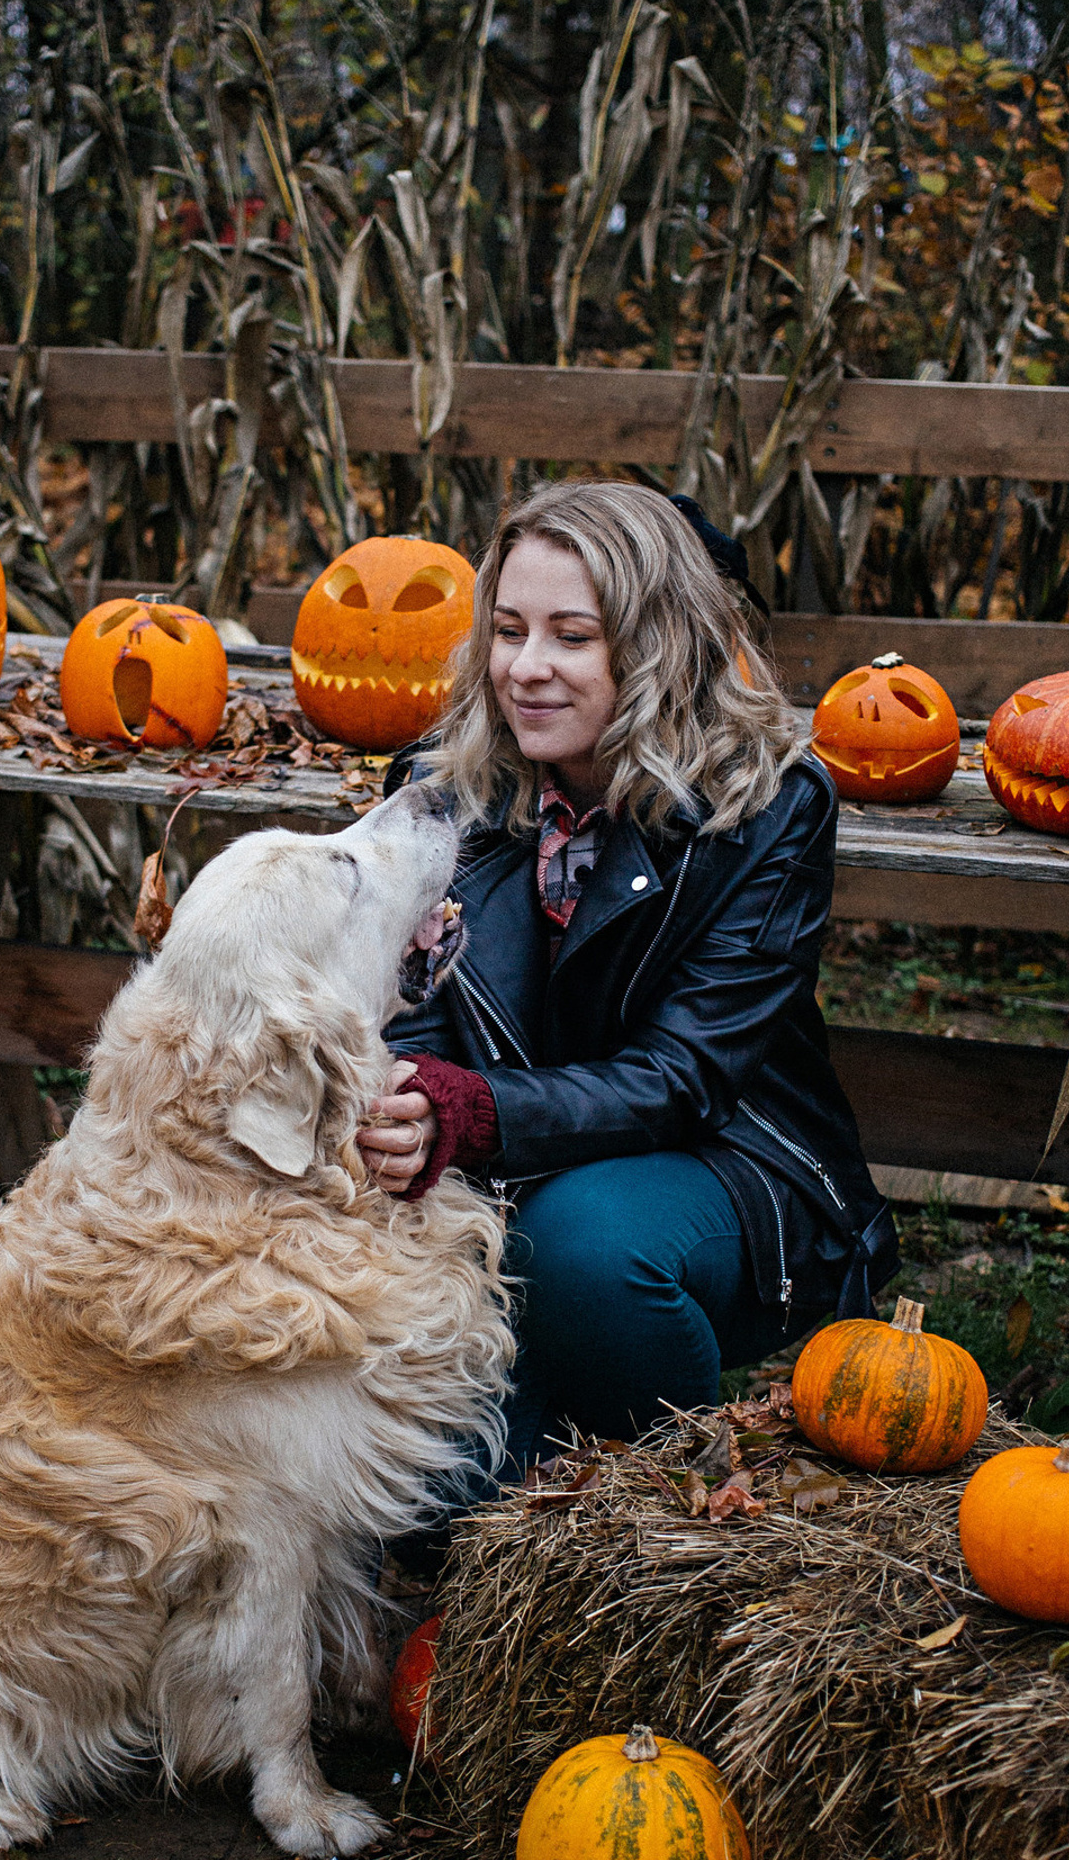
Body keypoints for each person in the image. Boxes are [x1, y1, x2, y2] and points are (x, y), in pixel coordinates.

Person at [357, 481, 897, 1472]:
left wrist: (470, 1111)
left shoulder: (767, 807)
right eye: (508, 631)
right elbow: (416, 1011)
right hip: (496, 1168)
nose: (526, 668)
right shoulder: (441, 792)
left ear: (656, 647)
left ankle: (657, 1500)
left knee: (582, 1247)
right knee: (440, 1499)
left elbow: (684, 1077)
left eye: (572, 637)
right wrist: (410, 1104)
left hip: (719, 1166)